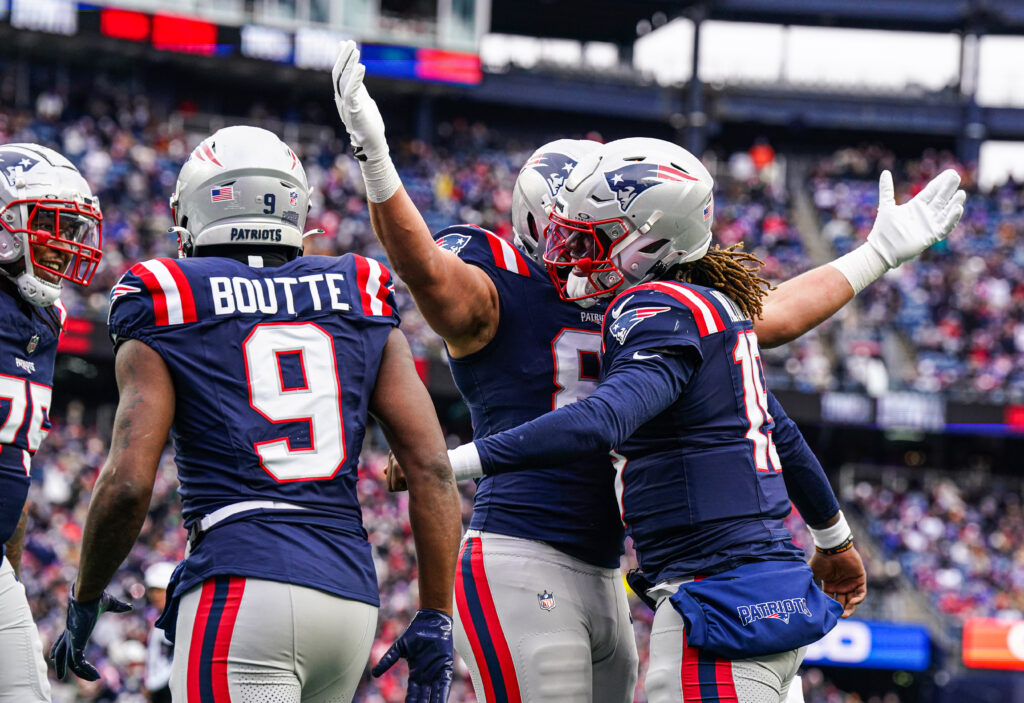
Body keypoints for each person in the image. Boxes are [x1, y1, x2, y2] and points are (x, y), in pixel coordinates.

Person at [332, 41, 961, 702]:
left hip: (612, 565)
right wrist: (376, 158)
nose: (571, 248)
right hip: (523, 544)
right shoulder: (503, 286)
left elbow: (764, 324)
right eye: (566, 229)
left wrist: (877, 253)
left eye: (588, 228)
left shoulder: (651, 299)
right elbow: (427, 271)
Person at [49, 125, 463, 703]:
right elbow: (433, 467)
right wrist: (437, 613)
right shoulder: (358, 286)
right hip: (348, 599)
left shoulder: (166, 291)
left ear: (197, 206)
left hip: (242, 586)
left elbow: (127, 482)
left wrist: (86, 593)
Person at [0, 142, 103, 703]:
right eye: (50, 224)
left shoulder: (43, 318)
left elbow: (14, 463)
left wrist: (12, 575)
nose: (65, 245)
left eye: (72, 227)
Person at [143, 561, 176, 703]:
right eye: (153, 591)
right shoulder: (158, 620)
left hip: (171, 688)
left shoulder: (179, 619)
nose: (156, 596)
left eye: (161, 590)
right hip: (159, 689)